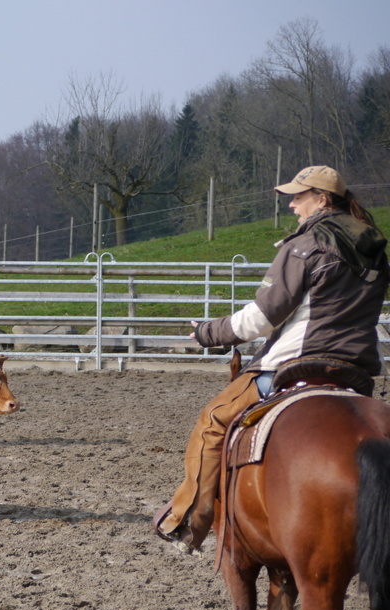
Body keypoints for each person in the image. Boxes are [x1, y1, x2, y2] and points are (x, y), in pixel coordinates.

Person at [154, 165, 389, 554]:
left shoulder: (306, 245)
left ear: (322, 199)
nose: (292, 205)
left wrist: (208, 333)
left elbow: (262, 318)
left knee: (213, 420)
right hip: (358, 369)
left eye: (298, 197)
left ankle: (188, 521)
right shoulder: (374, 249)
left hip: (297, 360)